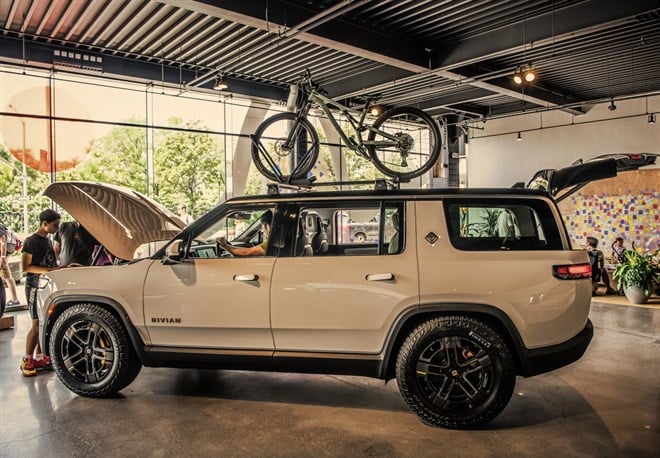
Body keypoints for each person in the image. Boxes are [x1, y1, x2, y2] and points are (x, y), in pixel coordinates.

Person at [20, 209, 62, 377]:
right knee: (36, 324)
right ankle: (27, 358)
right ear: (45, 224)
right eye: (55, 225)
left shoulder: (49, 241)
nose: (57, 229)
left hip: (46, 286)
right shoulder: (31, 241)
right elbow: (26, 267)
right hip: (34, 287)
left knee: (44, 323)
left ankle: (40, 357)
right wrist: (49, 270)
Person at [0, 221, 21, 308]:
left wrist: (3, 257)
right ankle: (14, 299)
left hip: (1, 256)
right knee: (6, 276)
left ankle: (14, 299)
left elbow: (3, 241)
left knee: (7, 276)